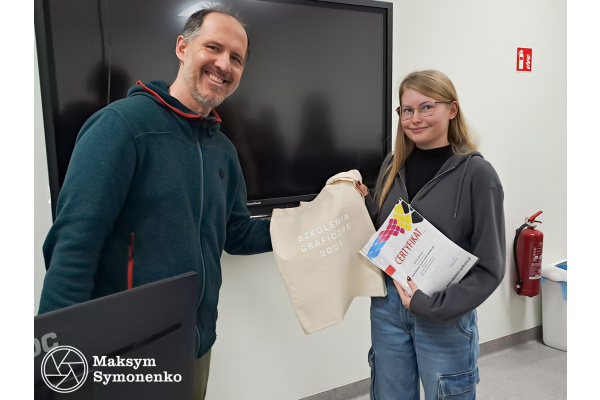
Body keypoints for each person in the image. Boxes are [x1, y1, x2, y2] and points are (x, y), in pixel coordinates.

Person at [37, 5, 271, 398]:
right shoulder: (122, 127)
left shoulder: (223, 151)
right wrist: (55, 368)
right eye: (213, 47)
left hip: (195, 346)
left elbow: (236, 233)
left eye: (236, 58)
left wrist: (310, 223)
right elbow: (74, 247)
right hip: (127, 354)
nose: (224, 64)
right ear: (182, 47)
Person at [358, 70, 505, 400]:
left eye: (426, 107)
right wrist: (357, 201)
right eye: (407, 110)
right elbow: (382, 229)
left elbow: (490, 269)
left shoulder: (478, 174)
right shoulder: (391, 165)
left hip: (444, 314)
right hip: (388, 307)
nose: (414, 118)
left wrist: (432, 305)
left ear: (452, 109)